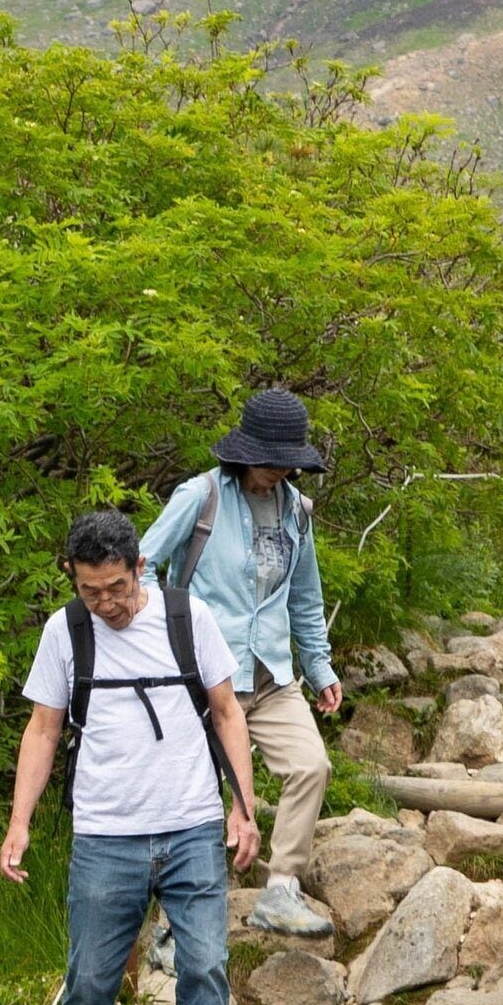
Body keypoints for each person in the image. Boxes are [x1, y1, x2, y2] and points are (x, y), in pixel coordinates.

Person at [0, 509, 262, 1005]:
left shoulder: (186, 618)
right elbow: (42, 728)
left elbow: (226, 713)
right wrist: (19, 823)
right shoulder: (66, 633)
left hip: (192, 824)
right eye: (90, 590)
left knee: (204, 965)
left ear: (140, 566)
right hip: (103, 835)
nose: (106, 603)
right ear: (73, 578)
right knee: (89, 979)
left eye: (116, 587)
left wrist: (243, 808)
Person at [140, 387, 343, 938]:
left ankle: (281, 891)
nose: (278, 471)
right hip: (204, 677)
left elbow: (304, 596)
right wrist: (163, 637)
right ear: (244, 451)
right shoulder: (199, 496)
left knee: (310, 766)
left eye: (286, 461)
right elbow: (142, 567)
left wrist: (320, 668)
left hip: (273, 672)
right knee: (198, 794)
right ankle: (169, 925)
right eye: (270, 459)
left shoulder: (297, 511)